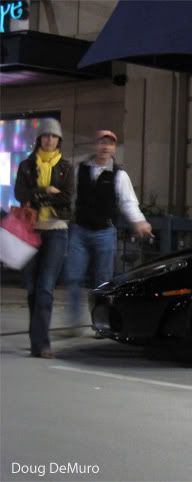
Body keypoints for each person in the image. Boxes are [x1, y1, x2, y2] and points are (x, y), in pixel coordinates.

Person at [65, 130, 152, 335]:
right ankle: (73, 321)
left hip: (104, 231)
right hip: (79, 229)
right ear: (96, 145)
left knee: (102, 281)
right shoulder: (81, 170)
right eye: (102, 143)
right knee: (73, 276)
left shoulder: (119, 175)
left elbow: (128, 202)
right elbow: (70, 196)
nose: (105, 147)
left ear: (114, 148)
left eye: (110, 144)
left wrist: (139, 221)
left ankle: (100, 325)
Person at [14, 118, 74, 358]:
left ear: (59, 140)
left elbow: (67, 198)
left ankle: (42, 344)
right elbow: (20, 194)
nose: (49, 140)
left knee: (45, 287)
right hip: (29, 230)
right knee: (32, 288)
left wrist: (37, 197)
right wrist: (46, 191)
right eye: (46, 136)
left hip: (57, 231)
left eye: (54, 136)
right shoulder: (26, 166)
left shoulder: (66, 167)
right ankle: (36, 338)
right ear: (39, 139)